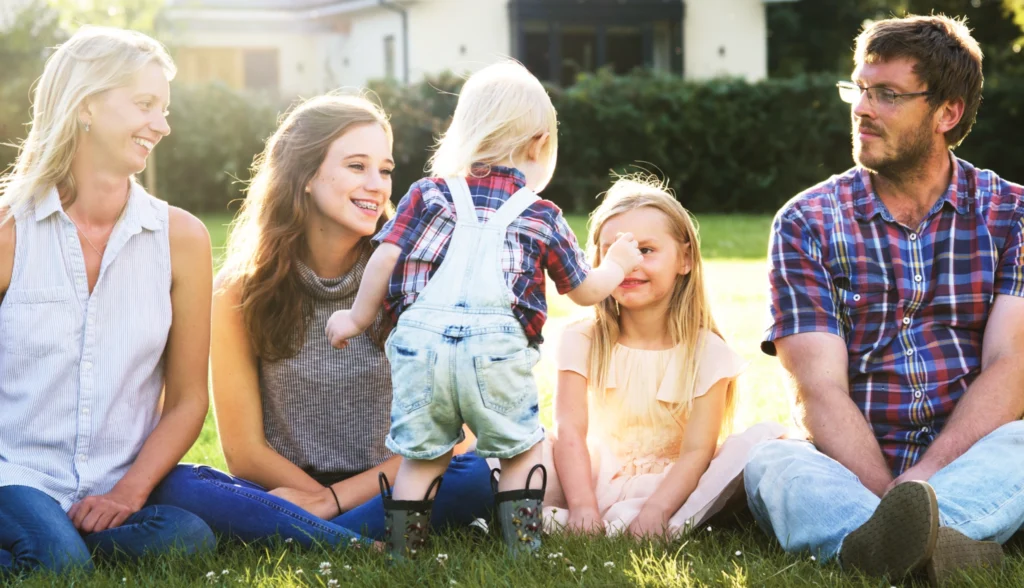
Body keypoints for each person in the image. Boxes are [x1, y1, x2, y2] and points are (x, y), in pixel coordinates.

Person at [744, 14, 1024, 585]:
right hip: (849, 465)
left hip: (970, 458)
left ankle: (880, 542)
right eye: (860, 88)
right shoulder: (806, 222)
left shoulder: (1012, 214)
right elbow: (817, 390)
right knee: (772, 462)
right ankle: (942, 543)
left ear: (947, 112)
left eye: (887, 95)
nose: (862, 108)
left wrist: (925, 480)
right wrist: (888, 495)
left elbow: (1010, 367)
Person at [324, 61, 643, 558]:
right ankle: (525, 550)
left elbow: (385, 255)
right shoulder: (542, 214)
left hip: (420, 353)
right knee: (519, 450)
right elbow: (582, 290)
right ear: (539, 143)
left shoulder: (426, 193)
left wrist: (356, 318)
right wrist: (618, 264)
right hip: (495, 355)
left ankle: (405, 551)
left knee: (421, 457)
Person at [150, 94, 495, 548]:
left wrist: (332, 502)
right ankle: (353, 541)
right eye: (357, 166)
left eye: (385, 170)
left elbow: (453, 436)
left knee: (476, 471)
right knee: (177, 484)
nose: (378, 185)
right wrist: (312, 497)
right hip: (287, 490)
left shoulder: (417, 275)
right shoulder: (238, 292)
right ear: (305, 175)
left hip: (397, 483)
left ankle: (307, 534)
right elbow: (244, 451)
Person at [0, 26, 216, 575]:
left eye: (164, 109)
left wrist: (127, 493)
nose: (162, 126)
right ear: (86, 105)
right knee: (58, 564)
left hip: (116, 483)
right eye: (145, 104)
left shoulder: (182, 238)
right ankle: (52, 541)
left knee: (187, 539)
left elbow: (189, 399)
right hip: (16, 476)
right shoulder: (9, 231)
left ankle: (59, 540)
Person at [540, 176, 786, 539]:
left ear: (684, 259)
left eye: (646, 250)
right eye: (615, 253)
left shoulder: (707, 353)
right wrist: (583, 506)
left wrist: (656, 509)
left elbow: (697, 453)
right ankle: (585, 519)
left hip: (670, 486)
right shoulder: (582, 338)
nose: (629, 265)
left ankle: (645, 522)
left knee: (752, 446)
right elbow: (570, 433)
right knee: (520, 446)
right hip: (590, 476)